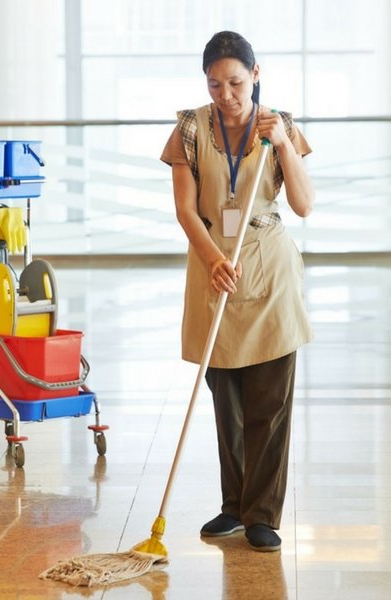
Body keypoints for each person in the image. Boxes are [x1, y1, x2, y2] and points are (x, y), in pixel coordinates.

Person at [159, 31, 314, 552]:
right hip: (213, 265)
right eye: (215, 84)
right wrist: (212, 259)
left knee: (269, 399)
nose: (226, 94)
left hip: (266, 267)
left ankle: (262, 513)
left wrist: (286, 145)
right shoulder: (190, 128)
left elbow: (303, 204)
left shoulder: (279, 125)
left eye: (236, 82)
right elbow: (185, 207)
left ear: (256, 75)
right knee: (225, 396)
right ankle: (234, 505)